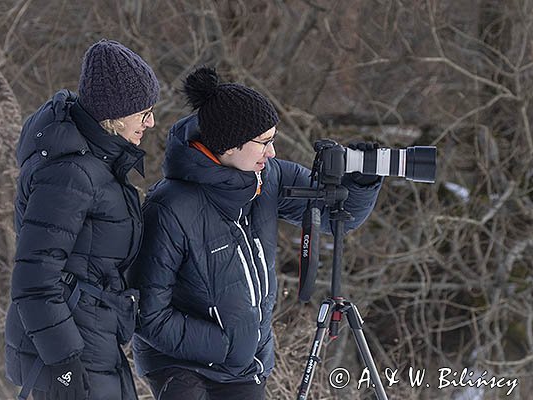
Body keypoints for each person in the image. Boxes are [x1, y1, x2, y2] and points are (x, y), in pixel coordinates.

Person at [127, 67, 382, 399]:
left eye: (272, 140)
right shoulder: (170, 208)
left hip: (243, 364)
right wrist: (227, 344)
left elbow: (338, 217)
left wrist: (361, 179)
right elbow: (148, 314)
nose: (272, 152)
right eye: (263, 142)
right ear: (230, 146)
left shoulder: (267, 176)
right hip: (180, 365)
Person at [4, 39, 159, 400]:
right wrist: (64, 362)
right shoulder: (71, 173)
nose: (150, 122)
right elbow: (33, 277)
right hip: (71, 347)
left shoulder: (98, 163)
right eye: (143, 112)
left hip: (93, 337)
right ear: (115, 114)